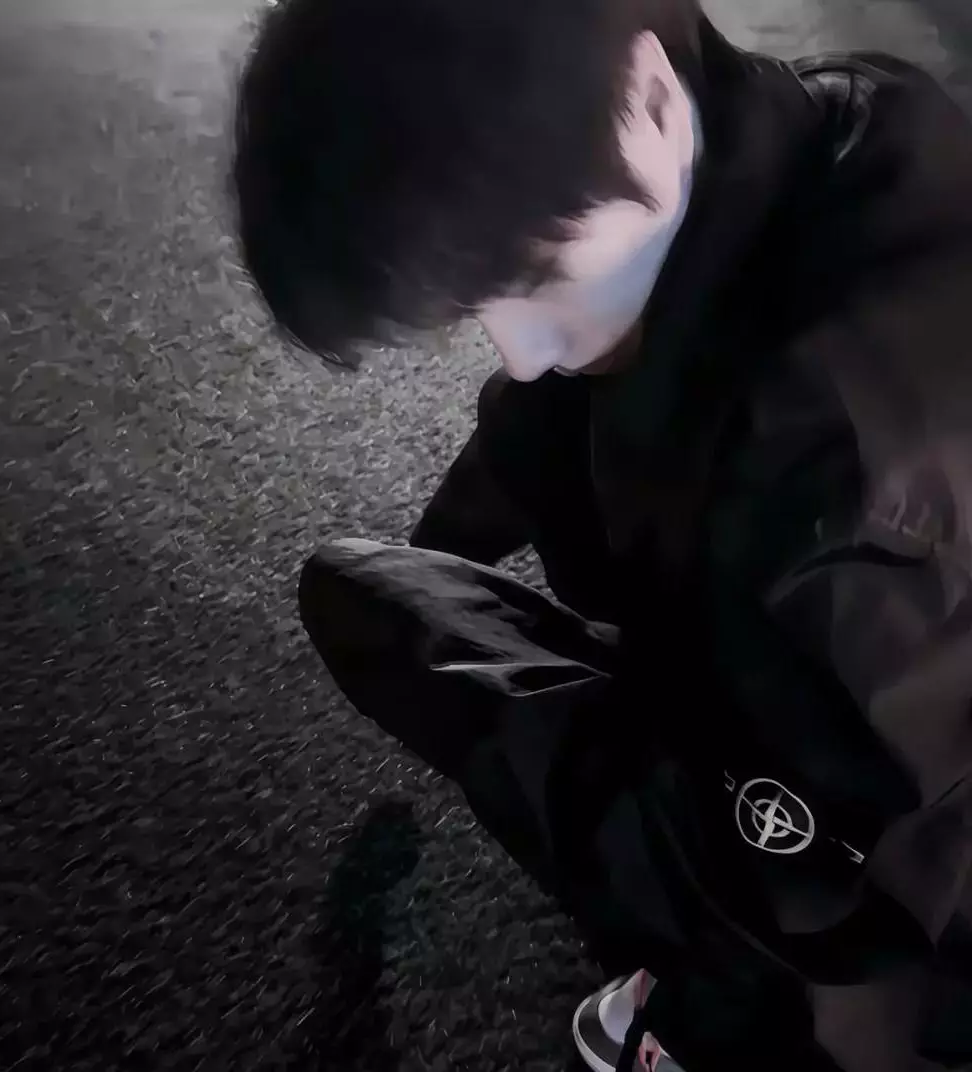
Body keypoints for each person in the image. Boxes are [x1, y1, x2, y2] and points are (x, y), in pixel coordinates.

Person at [233, 0, 972, 1068]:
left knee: (388, 622)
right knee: (398, 570)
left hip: (899, 851)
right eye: (481, 307)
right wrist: (447, 549)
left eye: (537, 283)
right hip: (818, 670)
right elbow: (526, 423)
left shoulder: (847, 504)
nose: (521, 350)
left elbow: (860, 888)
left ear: (649, 98)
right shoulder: (817, 117)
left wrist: (718, 999)